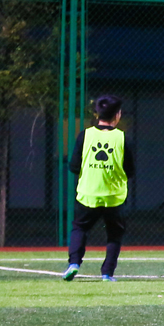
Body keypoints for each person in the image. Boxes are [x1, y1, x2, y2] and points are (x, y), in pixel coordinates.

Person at [62, 95, 135, 282]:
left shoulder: (85, 135)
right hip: (114, 196)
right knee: (114, 234)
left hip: (89, 194)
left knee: (80, 228)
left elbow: (73, 166)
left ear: (97, 114)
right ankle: (107, 273)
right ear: (117, 115)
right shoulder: (122, 138)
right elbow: (130, 170)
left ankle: (74, 263)